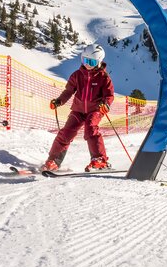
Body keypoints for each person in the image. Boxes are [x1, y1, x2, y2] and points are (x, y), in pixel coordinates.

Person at [43, 44, 115, 172]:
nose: (87, 64)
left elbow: (108, 95)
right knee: (66, 132)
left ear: (99, 62)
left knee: (91, 129)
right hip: (78, 110)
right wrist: (59, 101)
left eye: (91, 62)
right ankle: (53, 160)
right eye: (85, 60)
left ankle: (99, 160)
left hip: (95, 110)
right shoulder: (77, 75)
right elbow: (68, 91)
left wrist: (106, 105)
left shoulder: (104, 78)